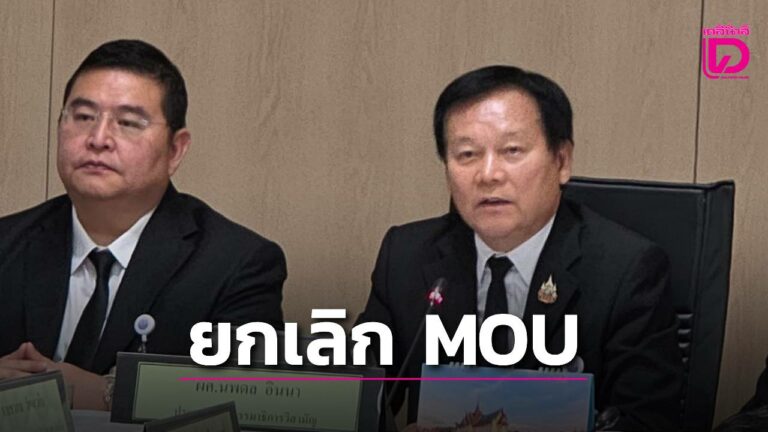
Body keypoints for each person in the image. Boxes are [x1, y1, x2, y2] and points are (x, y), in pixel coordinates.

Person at [357, 65, 683, 430]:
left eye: (512, 150)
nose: (488, 174)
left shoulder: (626, 270)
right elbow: (354, 395)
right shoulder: (406, 255)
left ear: (562, 161)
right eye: (467, 154)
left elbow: (647, 421)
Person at [0, 39, 285, 409]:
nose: (98, 139)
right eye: (83, 117)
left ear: (175, 150)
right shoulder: (8, 243)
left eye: (129, 123)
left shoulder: (237, 264)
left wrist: (105, 394)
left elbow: (246, 399)